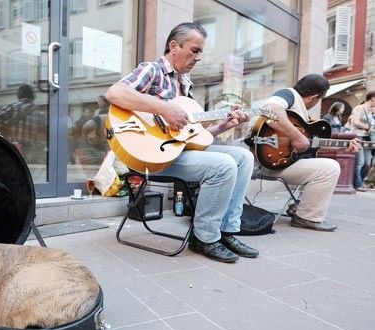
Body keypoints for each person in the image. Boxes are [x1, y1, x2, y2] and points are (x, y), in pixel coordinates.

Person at [105, 22, 257, 263]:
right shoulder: (152, 70)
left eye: (200, 52)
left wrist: (225, 126)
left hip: (177, 152)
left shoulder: (186, 85)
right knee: (223, 165)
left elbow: (191, 137)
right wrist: (164, 107)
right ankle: (205, 237)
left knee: (243, 157)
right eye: (194, 50)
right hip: (152, 157)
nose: (197, 57)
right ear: (174, 46)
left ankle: (226, 230)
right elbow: (114, 93)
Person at [257, 74, 361, 231]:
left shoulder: (303, 115)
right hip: (269, 163)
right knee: (330, 168)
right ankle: (307, 217)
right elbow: (269, 109)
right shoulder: (288, 95)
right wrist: (296, 135)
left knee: (320, 164)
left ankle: (299, 207)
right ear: (314, 97)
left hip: (282, 162)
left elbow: (312, 144)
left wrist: (343, 146)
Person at [0, 84, 47, 162]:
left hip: (15, 154)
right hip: (33, 156)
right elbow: (44, 136)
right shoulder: (41, 114)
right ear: (32, 96)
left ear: (19, 95)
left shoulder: (13, 107)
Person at [349, 91, 375, 191]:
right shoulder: (359, 108)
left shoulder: (369, 111)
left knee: (368, 162)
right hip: (358, 137)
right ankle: (357, 184)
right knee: (360, 162)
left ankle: (360, 181)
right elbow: (355, 122)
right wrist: (367, 127)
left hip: (367, 138)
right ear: (372, 98)